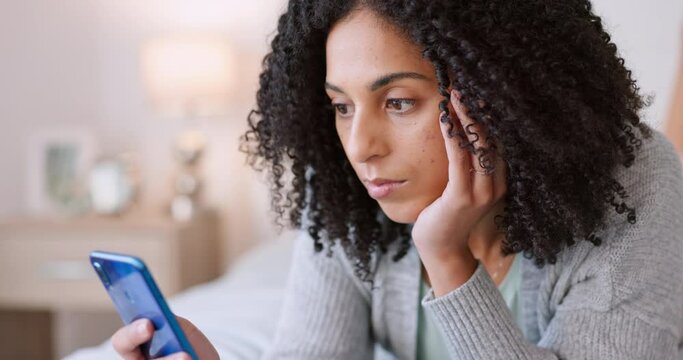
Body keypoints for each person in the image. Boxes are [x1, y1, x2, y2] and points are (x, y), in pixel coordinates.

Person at [111, 1, 683, 359]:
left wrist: (447, 259)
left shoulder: (636, 190)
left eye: (400, 102)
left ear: (503, 92)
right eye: (341, 106)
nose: (361, 147)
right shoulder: (345, 190)